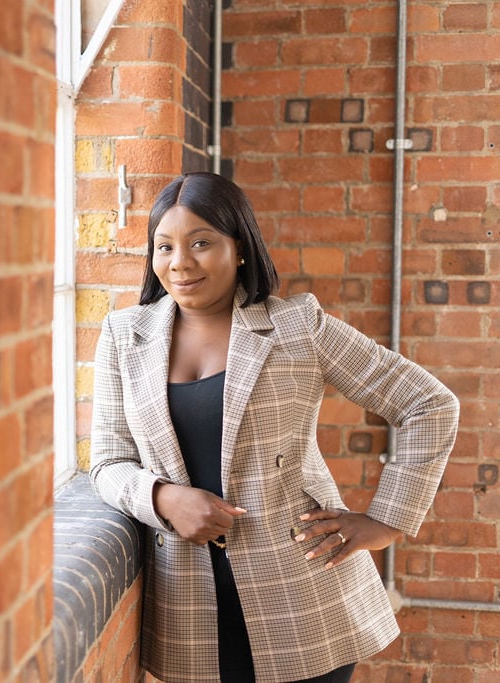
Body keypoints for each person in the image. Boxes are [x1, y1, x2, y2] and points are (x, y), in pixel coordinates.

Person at [89, 172, 459, 683]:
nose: (181, 262)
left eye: (201, 242)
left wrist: (386, 521)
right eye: (165, 246)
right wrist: (160, 498)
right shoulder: (122, 336)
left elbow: (427, 402)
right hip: (188, 606)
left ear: (239, 248)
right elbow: (108, 461)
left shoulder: (297, 327)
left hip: (303, 597)